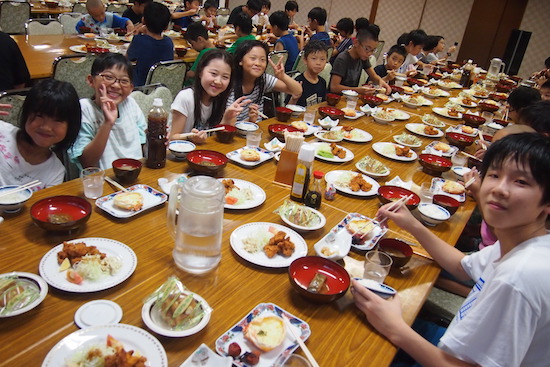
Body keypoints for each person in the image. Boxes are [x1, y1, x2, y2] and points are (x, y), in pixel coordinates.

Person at [353, 132, 550, 367]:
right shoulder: (527, 242)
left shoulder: (518, 278)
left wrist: (394, 328)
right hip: (458, 346)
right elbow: (462, 267)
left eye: (521, 182)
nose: (499, 189)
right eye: (495, 175)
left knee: (350, 342)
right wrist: (412, 223)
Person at [69, 53, 146, 170]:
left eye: (124, 81)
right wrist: (107, 123)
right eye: (109, 77)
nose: (116, 85)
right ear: (91, 80)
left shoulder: (131, 104)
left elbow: (143, 145)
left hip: (134, 176)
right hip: (102, 180)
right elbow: (87, 163)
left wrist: (154, 137)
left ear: (131, 88)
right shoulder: (85, 109)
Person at [0, 79, 81, 189]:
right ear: (27, 113)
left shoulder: (55, 171)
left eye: (57, 120)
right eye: (39, 115)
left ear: (70, 126)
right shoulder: (2, 132)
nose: (46, 127)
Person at [170, 49, 249, 143]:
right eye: (213, 74)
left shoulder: (219, 99)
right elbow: (173, 137)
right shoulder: (186, 97)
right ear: (200, 72)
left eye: (225, 77)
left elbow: (213, 136)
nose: (218, 81)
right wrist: (191, 137)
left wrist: (227, 118)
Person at [227, 40, 302, 122]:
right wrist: (250, 120)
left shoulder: (263, 79)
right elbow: (227, 124)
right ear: (240, 61)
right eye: (253, 58)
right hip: (233, 132)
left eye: (262, 60)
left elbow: (297, 91)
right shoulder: (229, 84)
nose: (258, 63)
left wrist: (282, 76)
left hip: (257, 129)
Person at [330, 27, 391, 95]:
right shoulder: (342, 59)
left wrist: (381, 81)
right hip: (338, 99)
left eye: (373, 50)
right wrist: (357, 90)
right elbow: (334, 87)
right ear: (356, 42)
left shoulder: (363, 57)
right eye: (367, 49)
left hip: (351, 98)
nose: (369, 53)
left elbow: (373, 75)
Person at [127, 2, 173, 87]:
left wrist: (137, 35)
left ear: (143, 20)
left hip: (141, 88)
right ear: (166, 26)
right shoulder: (169, 42)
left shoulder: (139, 40)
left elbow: (128, 59)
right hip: (162, 88)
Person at [286, 40, 328, 107]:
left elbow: (322, 105)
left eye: (322, 59)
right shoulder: (298, 82)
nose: (318, 63)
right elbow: (288, 108)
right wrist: (294, 99)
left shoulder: (323, 82)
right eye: (314, 58)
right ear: (305, 60)